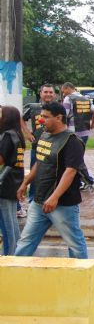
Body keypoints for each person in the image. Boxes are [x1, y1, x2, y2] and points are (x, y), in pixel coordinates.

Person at [15, 102, 88, 259]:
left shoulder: (72, 141)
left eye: (45, 117)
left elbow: (70, 172)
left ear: (58, 117)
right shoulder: (43, 134)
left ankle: (80, 280)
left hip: (62, 204)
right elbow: (40, 161)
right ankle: (11, 278)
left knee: (75, 244)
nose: (41, 120)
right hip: (39, 201)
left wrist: (54, 197)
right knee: (25, 242)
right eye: (41, 116)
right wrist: (25, 182)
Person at [21, 83, 56, 208]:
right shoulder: (33, 107)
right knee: (34, 173)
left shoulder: (58, 108)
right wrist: (27, 133)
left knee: (53, 173)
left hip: (54, 147)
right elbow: (21, 118)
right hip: (37, 147)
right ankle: (33, 200)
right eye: (45, 92)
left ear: (54, 94)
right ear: (40, 94)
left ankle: (50, 198)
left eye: (50, 92)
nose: (48, 94)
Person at [61, 82, 94, 190]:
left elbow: (64, 115)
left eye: (63, 91)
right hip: (85, 132)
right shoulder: (86, 99)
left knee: (75, 158)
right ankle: (78, 181)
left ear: (68, 88)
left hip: (73, 132)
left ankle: (87, 180)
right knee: (78, 156)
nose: (63, 93)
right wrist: (92, 124)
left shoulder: (69, 99)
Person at [0, 106, 26, 255]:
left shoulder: (7, 136)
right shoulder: (17, 134)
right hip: (13, 181)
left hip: (4, 183)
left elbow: (2, 160)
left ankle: (9, 257)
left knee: (6, 224)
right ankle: (16, 254)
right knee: (11, 221)